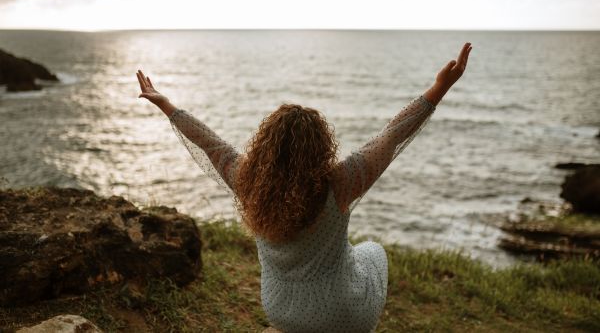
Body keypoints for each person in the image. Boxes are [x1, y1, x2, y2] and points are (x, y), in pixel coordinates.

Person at [136, 42, 472, 333]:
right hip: (343, 315)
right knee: (372, 252)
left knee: (352, 252)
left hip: (281, 310)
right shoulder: (340, 182)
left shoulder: (247, 182)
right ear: (321, 147)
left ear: (265, 147)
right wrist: (439, 88)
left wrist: (166, 105)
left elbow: (210, 143)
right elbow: (391, 135)